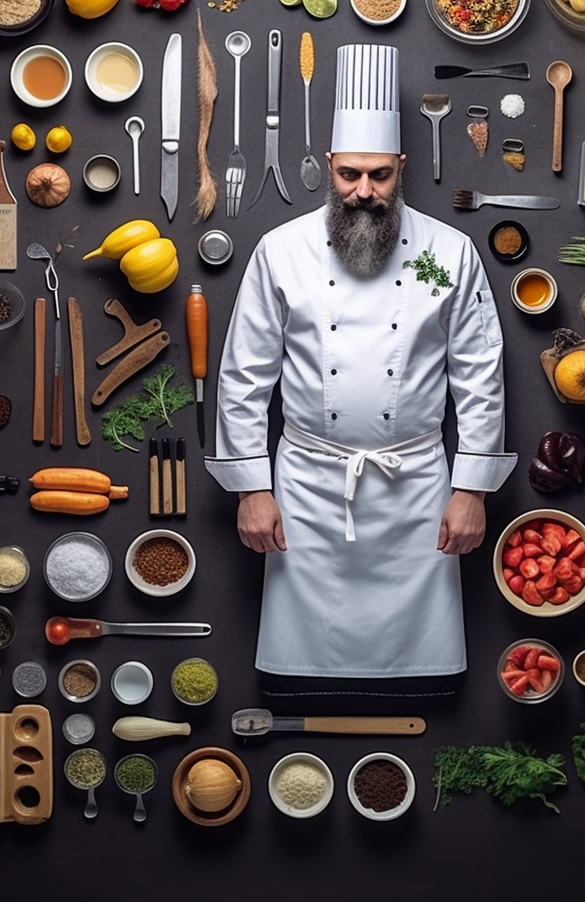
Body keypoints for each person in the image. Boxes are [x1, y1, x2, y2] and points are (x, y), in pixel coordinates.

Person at [205, 44, 516, 691]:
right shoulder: (282, 250)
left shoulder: (445, 253)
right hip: (308, 489)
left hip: (417, 486)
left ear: (401, 166)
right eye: (350, 175)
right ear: (329, 166)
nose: (364, 192)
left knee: (421, 665)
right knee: (301, 658)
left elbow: (480, 375)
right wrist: (251, 488)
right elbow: (242, 377)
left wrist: (473, 489)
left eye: (378, 175)